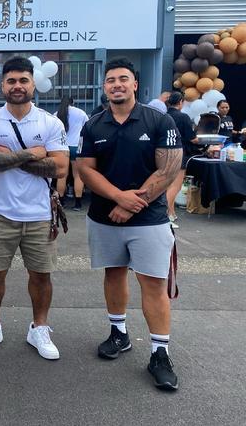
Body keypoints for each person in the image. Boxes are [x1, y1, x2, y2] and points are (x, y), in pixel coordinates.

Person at [77, 58, 182, 391]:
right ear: (104, 87)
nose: (117, 85)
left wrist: (132, 204)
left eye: (123, 79)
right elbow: (86, 169)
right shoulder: (94, 126)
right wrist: (119, 198)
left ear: (135, 84)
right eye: (111, 80)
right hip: (105, 218)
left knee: (153, 285)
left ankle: (159, 354)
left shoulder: (159, 121)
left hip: (149, 220)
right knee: (113, 274)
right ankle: (118, 334)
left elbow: (168, 170)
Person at [0, 57, 69, 359]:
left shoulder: (50, 122)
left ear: (33, 84)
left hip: (40, 215)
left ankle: (39, 328)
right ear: (2, 85)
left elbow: (61, 168)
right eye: (11, 81)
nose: (17, 86)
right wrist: (31, 154)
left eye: (23, 80)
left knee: (41, 275)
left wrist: (11, 157)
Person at [165, 92, 199, 228]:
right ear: (180, 102)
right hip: (178, 153)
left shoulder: (163, 115)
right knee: (175, 186)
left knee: (166, 186)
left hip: (162, 153)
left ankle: (171, 212)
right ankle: (166, 216)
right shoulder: (183, 117)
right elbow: (192, 138)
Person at [54, 96, 89, 210]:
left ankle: (61, 202)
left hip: (62, 147)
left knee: (62, 176)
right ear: (73, 103)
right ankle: (78, 203)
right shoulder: (81, 113)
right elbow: (87, 128)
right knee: (77, 176)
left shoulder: (56, 114)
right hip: (76, 146)